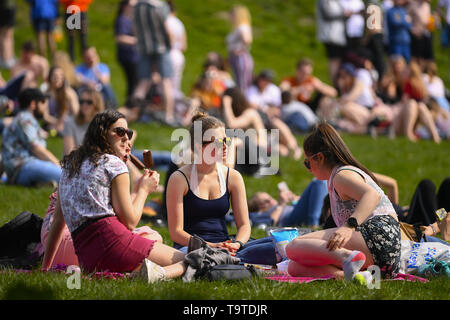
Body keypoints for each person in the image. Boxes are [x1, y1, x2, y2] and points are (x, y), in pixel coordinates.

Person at [41, 109, 186, 283]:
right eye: (120, 132)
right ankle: (157, 275)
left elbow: (58, 222)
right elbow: (130, 222)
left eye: (129, 133)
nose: (127, 138)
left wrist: (45, 267)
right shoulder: (114, 164)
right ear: (102, 134)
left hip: (88, 257)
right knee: (188, 259)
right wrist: (143, 190)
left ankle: (138, 275)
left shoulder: (71, 165)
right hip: (112, 242)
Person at [285, 122, 402, 281]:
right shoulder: (337, 177)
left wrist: (349, 226)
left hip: (377, 238)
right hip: (385, 260)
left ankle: (347, 258)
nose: (308, 168)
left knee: (292, 247)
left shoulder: (341, 175)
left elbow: (372, 195)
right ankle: (356, 277)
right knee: (294, 266)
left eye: (307, 163)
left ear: (319, 158)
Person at [166, 112, 280, 266]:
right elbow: (176, 232)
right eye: (219, 142)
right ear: (199, 146)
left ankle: (227, 259)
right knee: (203, 256)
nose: (225, 146)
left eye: (226, 140)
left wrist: (237, 244)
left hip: (227, 246)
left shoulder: (233, 177)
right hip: (192, 247)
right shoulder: (179, 179)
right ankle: (224, 260)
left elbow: (245, 225)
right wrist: (211, 246)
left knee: (279, 244)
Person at [1, 88, 61, 186]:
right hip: (23, 167)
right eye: (42, 102)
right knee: (66, 175)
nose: (45, 107)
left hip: (19, 169)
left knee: (57, 172)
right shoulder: (25, 119)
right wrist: (59, 165)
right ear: (33, 104)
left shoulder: (22, 118)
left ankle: (41, 183)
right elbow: (36, 149)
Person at [133, 0, 175, 125]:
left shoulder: (137, 6)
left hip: (144, 48)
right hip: (161, 47)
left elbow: (134, 28)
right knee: (166, 81)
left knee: (143, 82)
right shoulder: (160, 6)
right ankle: (168, 116)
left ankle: (134, 112)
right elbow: (166, 28)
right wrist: (171, 44)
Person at [246, 69, 302, 159]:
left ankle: (294, 148)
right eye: (264, 80)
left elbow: (278, 107)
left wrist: (270, 110)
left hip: (271, 119)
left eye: (268, 80)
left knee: (279, 125)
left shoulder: (273, 89)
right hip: (259, 120)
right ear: (259, 79)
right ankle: (292, 150)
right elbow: (251, 105)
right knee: (280, 145)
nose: (265, 83)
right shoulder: (252, 90)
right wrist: (266, 109)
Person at [247, 179, 329, 228]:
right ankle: (313, 224)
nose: (271, 200)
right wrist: (281, 204)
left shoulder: (276, 207)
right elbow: (270, 222)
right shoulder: (259, 215)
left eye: (270, 198)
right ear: (259, 207)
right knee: (318, 182)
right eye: (267, 201)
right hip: (290, 219)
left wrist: (294, 198)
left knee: (321, 182)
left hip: (297, 212)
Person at [62, 86, 104, 155]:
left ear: (97, 104)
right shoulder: (70, 123)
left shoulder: (103, 124)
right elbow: (69, 154)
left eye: (89, 102)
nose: (84, 105)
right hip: (76, 163)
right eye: (82, 102)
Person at [316, 0, 347, 83]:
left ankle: (338, 83)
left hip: (338, 36)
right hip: (330, 35)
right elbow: (327, 15)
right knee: (334, 60)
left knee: (338, 61)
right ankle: (334, 83)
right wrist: (344, 14)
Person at [42, 66, 80, 135]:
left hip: (68, 122)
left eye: (61, 75)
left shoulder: (69, 93)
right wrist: (58, 122)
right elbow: (45, 116)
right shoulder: (46, 94)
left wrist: (64, 123)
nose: (58, 78)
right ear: (50, 78)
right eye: (55, 76)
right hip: (52, 122)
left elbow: (76, 113)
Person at [114, 0, 139, 101]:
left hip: (134, 56)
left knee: (135, 81)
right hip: (128, 56)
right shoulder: (122, 20)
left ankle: (132, 102)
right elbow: (119, 38)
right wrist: (136, 40)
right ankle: (130, 103)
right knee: (133, 82)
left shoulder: (130, 20)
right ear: (125, 6)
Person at [226, 5, 254, 93]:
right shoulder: (238, 27)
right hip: (236, 58)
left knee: (242, 83)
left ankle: (243, 101)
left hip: (240, 58)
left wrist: (240, 50)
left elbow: (247, 39)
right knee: (238, 81)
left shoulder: (242, 27)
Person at [166, 0, 187, 99]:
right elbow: (184, 46)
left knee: (166, 85)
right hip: (179, 55)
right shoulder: (179, 23)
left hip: (168, 54)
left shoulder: (165, 21)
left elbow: (170, 37)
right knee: (176, 86)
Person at [0, 0, 16, 69]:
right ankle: (6, 58)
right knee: (5, 35)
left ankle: (8, 57)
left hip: (7, 7)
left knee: (7, 35)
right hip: (6, 7)